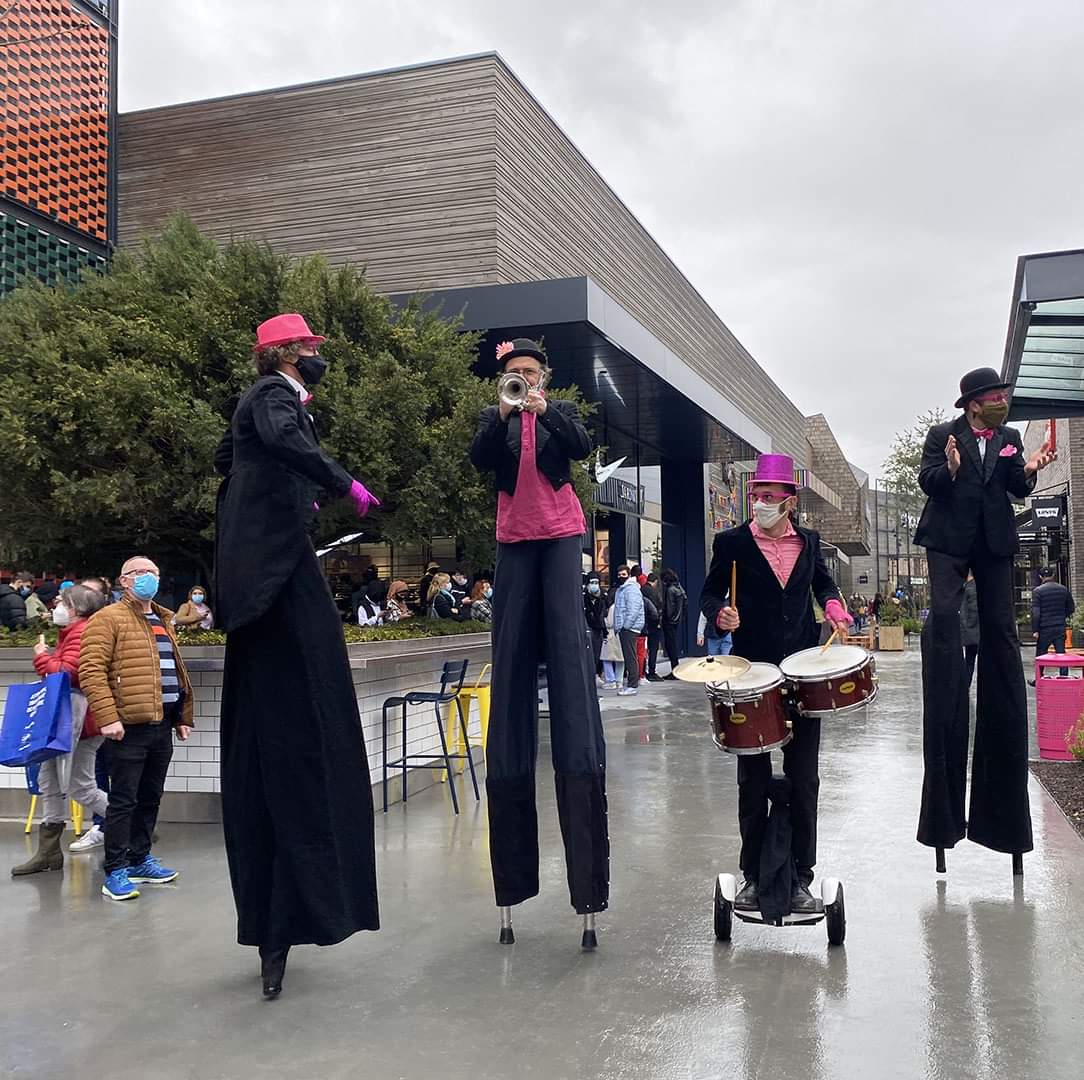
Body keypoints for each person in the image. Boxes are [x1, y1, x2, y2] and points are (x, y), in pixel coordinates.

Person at [214, 312, 381, 997]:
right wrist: (342, 484)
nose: (317, 355)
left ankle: (289, 913)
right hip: (270, 578)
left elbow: (228, 459)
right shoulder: (273, 396)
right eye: (310, 346)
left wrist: (278, 495)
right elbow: (278, 441)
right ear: (283, 352)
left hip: (265, 574)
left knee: (284, 725)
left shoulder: (262, 405)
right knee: (304, 714)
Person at [470, 337, 609, 939]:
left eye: (528, 373)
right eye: (513, 374)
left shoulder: (561, 413)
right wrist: (503, 414)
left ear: (543, 375)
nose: (521, 380)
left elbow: (582, 449)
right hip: (512, 541)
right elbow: (480, 461)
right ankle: (512, 879)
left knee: (567, 650)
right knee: (511, 660)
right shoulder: (495, 417)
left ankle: (587, 883)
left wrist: (545, 409)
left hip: (559, 536)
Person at [913, 367, 1055, 871]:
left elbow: (1016, 486)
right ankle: (944, 819)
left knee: (998, 632)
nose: (1001, 401)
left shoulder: (1010, 437)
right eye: (995, 396)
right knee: (947, 623)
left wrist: (1033, 467)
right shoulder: (941, 436)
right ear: (974, 402)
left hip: (993, 541)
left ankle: (1000, 823)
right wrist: (949, 469)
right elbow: (927, 481)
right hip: (949, 541)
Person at [700, 453, 852, 914]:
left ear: (789, 501)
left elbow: (824, 586)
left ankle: (802, 876)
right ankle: (751, 876)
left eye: (769, 496)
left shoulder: (809, 541)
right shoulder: (731, 543)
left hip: (803, 673)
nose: (760, 503)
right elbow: (710, 594)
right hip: (753, 674)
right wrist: (719, 615)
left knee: (805, 779)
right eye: (756, 495)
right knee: (753, 778)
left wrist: (834, 608)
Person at [79, 555, 194, 902]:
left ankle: (140, 858)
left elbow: (168, 670)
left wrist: (181, 717)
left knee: (150, 797)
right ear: (124, 581)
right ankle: (114, 870)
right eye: (141, 573)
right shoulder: (108, 619)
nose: (149, 578)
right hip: (127, 728)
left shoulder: (163, 618)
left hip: (162, 726)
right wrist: (109, 717)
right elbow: (91, 671)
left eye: (154, 573)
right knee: (123, 801)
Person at [11, 584, 109, 876]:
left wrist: (42, 656)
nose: (57, 608)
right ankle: (49, 852)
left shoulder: (83, 632)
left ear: (76, 609)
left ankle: (131, 824)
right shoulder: (72, 632)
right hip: (66, 722)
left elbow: (69, 674)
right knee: (49, 782)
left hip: (80, 724)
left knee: (80, 786)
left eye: (62, 603)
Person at [612, 566, 645, 695]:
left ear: (629, 574)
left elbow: (633, 609)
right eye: (619, 574)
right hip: (626, 627)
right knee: (629, 656)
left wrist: (625, 625)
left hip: (629, 628)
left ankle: (632, 685)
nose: (621, 576)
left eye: (623, 574)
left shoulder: (630, 589)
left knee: (630, 656)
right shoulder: (625, 588)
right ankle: (632, 684)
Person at [1032, 567, 1074, 658]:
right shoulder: (1063, 589)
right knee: (1061, 654)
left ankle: (1040, 672)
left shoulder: (1037, 591)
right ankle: (1063, 672)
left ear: (1040, 576)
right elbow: (1071, 608)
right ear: (1053, 575)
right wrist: (1062, 616)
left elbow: (1036, 613)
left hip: (1044, 628)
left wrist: (1035, 630)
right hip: (1060, 626)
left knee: (1041, 655)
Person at [660, 568, 688, 679]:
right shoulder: (679, 588)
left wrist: (666, 617)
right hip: (676, 621)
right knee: (672, 645)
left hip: (670, 621)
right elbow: (685, 603)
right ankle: (675, 669)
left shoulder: (670, 590)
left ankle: (674, 670)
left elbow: (669, 608)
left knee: (670, 646)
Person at [583, 571, 608, 677]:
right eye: (592, 582)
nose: (595, 585)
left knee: (597, 655)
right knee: (590, 655)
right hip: (589, 627)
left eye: (596, 582)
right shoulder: (584, 597)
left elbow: (604, 612)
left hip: (599, 628)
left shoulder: (602, 597)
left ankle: (596, 674)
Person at [641, 572, 664, 682]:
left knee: (642, 650)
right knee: (653, 649)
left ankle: (641, 671)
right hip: (653, 625)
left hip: (642, 624)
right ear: (655, 581)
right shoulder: (655, 592)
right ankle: (652, 671)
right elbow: (657, 609)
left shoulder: (641, 590)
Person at [960, 575, 979, 691]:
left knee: (969, 660)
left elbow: (967, 612)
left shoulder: (968, 588)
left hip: (972, 631)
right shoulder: (973, 586)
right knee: (971, 660)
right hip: (976, 631)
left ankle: (965, 686)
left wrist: (966, 628)